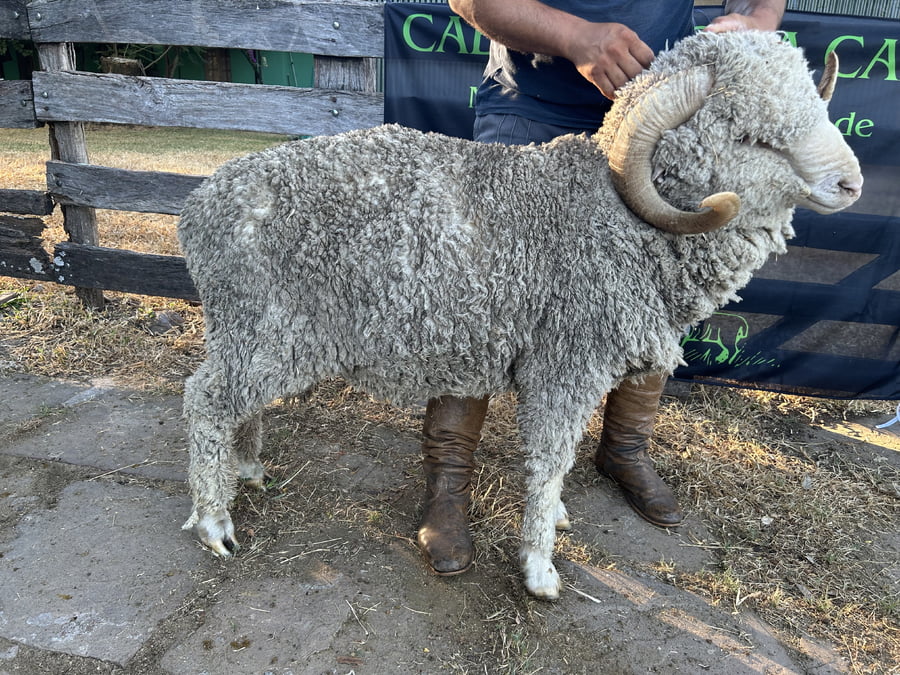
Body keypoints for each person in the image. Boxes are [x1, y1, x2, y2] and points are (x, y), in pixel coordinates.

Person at [416, 0, 787, 576]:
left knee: (658, 286)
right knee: (482, 296)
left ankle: (624, 448)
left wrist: (758, 20)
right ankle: (449, 477)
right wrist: (576, 35)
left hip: (666, 112)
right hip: (532, 106)